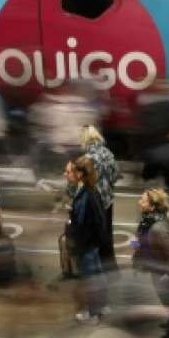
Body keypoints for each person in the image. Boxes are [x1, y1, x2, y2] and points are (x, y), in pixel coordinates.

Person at [132, 187, 169, 338]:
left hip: (164, 272)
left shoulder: (158, 228)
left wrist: (168, 274)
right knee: (167, 301)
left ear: (153, 206)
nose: (139, 202)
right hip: (156, 267)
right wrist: (136, 245)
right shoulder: (148, 221)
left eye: (143, 200)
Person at [65, 157, 109, 325]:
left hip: (87, 244)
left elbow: (81, 226)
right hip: (95, 241)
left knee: (90, 279)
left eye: (69, 172)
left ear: (80, 174)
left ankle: (93, 314)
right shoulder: (92, 189)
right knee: (98, 273)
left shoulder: (83, 198)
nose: (66, 174)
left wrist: (76, 246)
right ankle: (103, 305)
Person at [80, 125, 120, 273]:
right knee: (107, 235)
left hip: (94, 203)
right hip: (108, 200)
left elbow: (81, 183)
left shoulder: (85, 159)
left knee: (95, 238)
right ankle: (112, 268)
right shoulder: (108, 153)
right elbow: (115, 175)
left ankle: (98, 271)